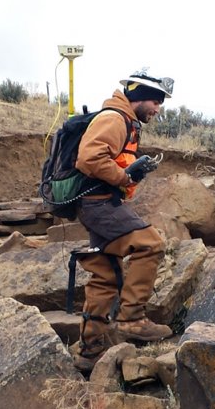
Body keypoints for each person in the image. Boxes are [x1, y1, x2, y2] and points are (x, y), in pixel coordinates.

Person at [72, 69, 175, 371]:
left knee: (105, 274)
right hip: (99, 203)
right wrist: (124, 176)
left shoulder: (122, 120)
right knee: (151, 244)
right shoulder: (114, 119)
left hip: (96, 203)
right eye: (156, 101)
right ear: (139, 96)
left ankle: (89, 352)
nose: (158, 109)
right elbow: (89, 158)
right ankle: (132, 320)